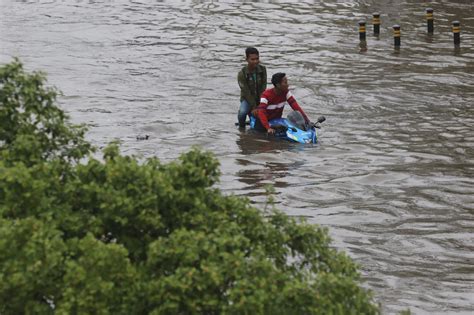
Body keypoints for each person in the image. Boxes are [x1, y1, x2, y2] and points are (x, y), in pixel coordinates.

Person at [237, 47, 267, 128]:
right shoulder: (242, 74)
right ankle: (241, 128)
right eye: (252, 59)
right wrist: (254, 107)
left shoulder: (263, 69)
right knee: (242, 113)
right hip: (247, 99)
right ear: (247, 59)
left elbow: (263, 87)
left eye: (257, 59)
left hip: (260, 98)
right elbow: (246, 92)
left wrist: (260, 104)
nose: (255, 61)